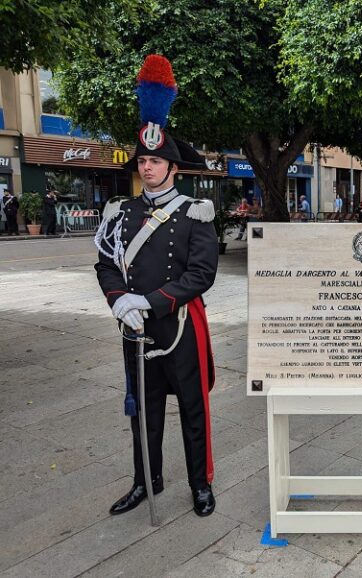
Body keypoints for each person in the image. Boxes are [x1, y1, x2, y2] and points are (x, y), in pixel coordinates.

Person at [94, 55, 218, 518]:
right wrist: (118, 301)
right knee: (142, 413)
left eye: (156, 161)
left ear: (173, 167)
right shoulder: (120, 212)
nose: (147, 168)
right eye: (143, 160)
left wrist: (146, 301)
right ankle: (147, 479)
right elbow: (106, 264)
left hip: (179, 326)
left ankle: (200, 483)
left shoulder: (195, 211)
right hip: (135, 328)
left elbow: (201, 275)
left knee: (191, 409)